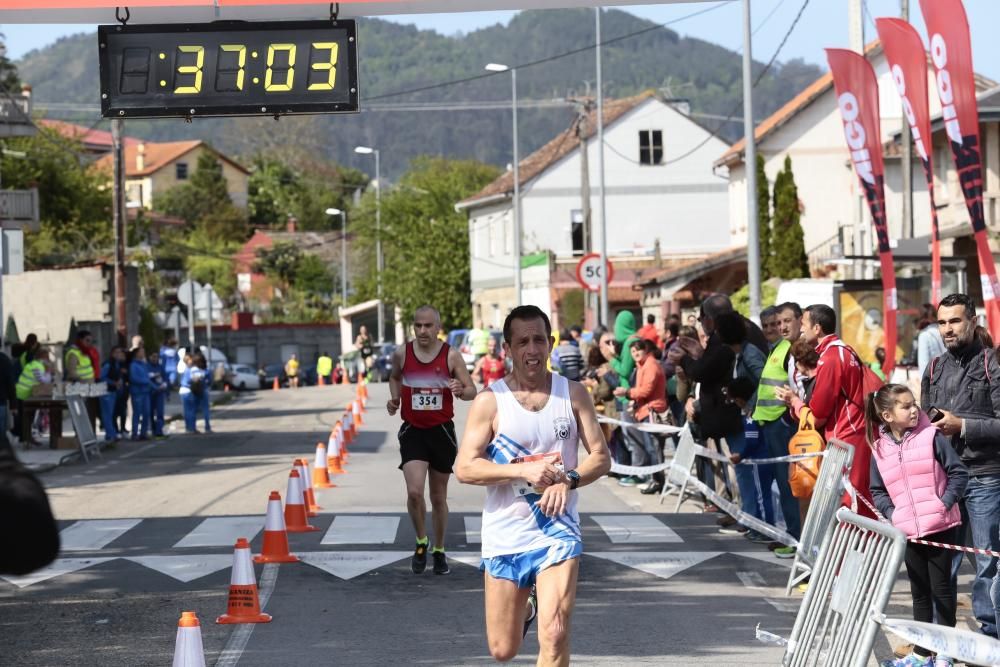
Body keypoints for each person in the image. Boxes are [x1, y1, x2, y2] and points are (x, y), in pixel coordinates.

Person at [455, 305, 612, 665]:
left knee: (555, 633)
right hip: (506, 532)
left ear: (551, 343)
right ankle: (528, 607)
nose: (532, 349)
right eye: (522, 342)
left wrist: (569, 480)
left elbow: (601, 457)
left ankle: (543, 606)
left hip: (557, 530)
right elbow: (465, 468)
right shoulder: (489, 402)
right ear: (508, 349)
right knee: (502, 649)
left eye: (539, 340)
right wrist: (520, 472)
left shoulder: (572, 394)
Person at [867, 384, 969, 667]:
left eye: (915, 404)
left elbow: (958, 473)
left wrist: (943, 503)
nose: (914, 409)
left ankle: (946, 651)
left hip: (940, 526)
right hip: (908, 531)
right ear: (887, 415)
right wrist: (894, 514)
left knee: (942, 590)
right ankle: (923, 652)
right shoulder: (879, 448)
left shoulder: (931, 437)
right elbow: (877, 490)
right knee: (919, 592)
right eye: (906, 406)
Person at [920, 293, 1000, 639]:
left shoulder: (991, 365)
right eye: (942, 322)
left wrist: (962, 426)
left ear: (973, 321)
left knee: (988, 563)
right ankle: (942, 637)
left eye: (955, 321)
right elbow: (922, 424)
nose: (948, 329)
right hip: (946, 482)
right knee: (942, 563)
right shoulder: (934, 368)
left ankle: (991, 635)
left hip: (986, 478)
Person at [387, 305, 477, 576]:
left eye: (428, 326)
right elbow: (394, 376)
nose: (422, 331)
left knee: (438, 497)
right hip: (413, 430)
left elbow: (472, 390)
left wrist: (461, 390)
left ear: (438, 328)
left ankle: (439, 549)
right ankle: (421, 541)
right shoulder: (403, 353)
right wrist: (395, 398)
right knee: (414, 493)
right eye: (418, 326)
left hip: (441, 431)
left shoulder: (451, 355)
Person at [799, 303, 874, 520]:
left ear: (817, 328)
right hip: (855, 431)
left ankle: (852, 551)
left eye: (804, 323)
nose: (801, 329)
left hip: (847, 435)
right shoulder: (844, 349)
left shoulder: (830, 356)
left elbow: (819, 411)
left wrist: (796, 404)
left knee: (847, 498)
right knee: (854, 495)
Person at [753, 302, 804, 551]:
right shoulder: (779, 348)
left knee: (789, 483)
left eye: (782, 322)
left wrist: (786, 416)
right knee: (783, 484)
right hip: (773, 423)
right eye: (772, 324)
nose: (777, 328)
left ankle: (795, 537)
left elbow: (797, 386)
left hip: (783, 424)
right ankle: (791, 535)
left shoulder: (790, 350)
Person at [613, 338, 667, 494]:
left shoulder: (651, 366)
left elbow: (646, 390)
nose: (635, 354)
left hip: (653, 412)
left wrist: (627, 393)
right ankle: (655, 480)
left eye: (638, 350)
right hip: (645, 411)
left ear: (646, 350)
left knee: (654, 449)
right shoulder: (642, 365)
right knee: (651, 448)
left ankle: (658, 481)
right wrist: (634, 401)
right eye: (633, 352)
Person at [725, 376, 775, 543]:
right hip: (763, 458)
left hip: (757, 461)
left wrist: (741, 455)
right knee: (764, 495)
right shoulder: (756, 411)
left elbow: (752, 442)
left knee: (762, 496)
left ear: (739, 399)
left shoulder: (750, 416)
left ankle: (764, 530)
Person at [14, 347, 53, 445]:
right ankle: (25, 439)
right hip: (23, 394)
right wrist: (48, 371)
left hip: (25, 394)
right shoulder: (37, 366)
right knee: (26, 418)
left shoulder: (34, 364)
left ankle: (26, 438)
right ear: (43, 356)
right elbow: (43, 380)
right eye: (48, 356)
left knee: (27, 417)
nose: (49, 359)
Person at [99, 347, 127, 442]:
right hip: (107, 391)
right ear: (112, 354)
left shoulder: (117, 364)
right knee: (107, 414)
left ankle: (112, 433)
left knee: (111, 414)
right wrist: (114, 383)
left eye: (120, 352)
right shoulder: (108, 364)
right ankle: (110, 435)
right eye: (117, 352)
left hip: (113, 391)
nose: (119, 354)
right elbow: (102, 377)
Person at [180, 352, 211, 434]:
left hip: (190, 390)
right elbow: (197, 379)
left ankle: (190, 428)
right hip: (191, 391)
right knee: (192, 410)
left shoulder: (189, 369)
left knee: (189, 410)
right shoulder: (194, 370)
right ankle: (192, 428)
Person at [128, 347, 152, 441]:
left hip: (145, 392)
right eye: (141, 352)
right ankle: (134, 433)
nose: (143, 353)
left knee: (147, 413)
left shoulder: (144, 364)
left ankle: (143, 433)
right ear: (136, 353)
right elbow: (134, 378)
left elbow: (148, 376)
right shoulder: (133, 365)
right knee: (137, 413)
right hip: (137, 392)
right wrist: (146, 381)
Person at [147, 350, 168, 439]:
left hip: (160, 393)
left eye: (157, 357)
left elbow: (165, 378)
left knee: (160, 412)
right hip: (150, 393)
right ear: (150, 357)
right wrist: (153, 376)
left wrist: (165, 385)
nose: (155, 359)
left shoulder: (160, 367)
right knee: (150, 412)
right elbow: (146, 378)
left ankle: (159, 431)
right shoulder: (147, 367)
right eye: (153, 357)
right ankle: (152, 430)